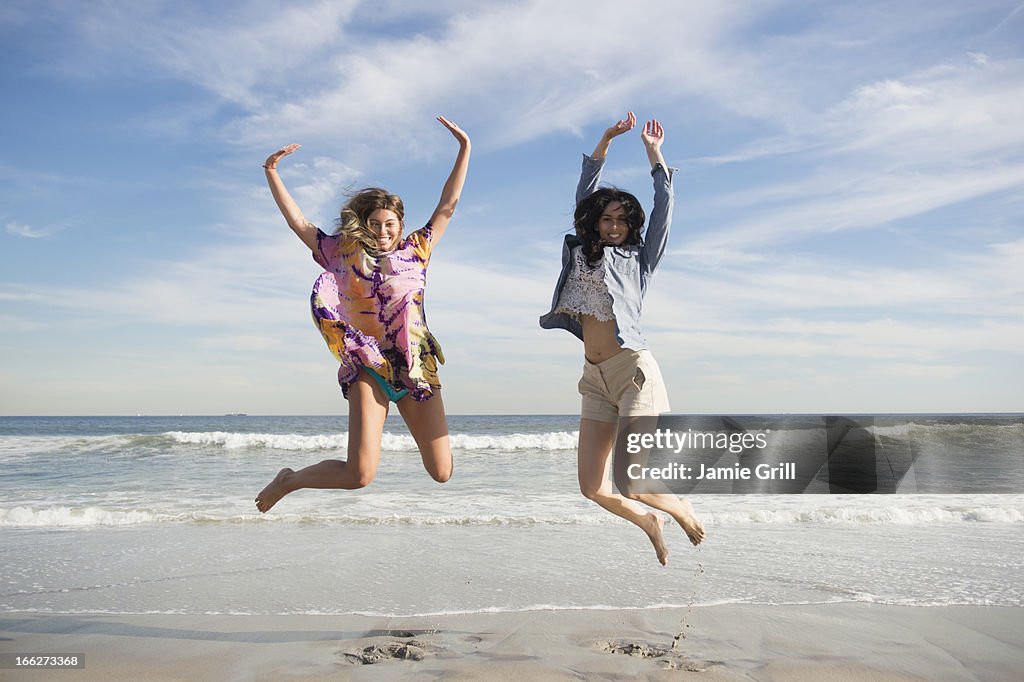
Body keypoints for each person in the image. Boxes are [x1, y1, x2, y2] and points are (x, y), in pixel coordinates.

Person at [256, 116, 470, 513]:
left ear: (400, 225)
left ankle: (294, 478)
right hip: (367, 366)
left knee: (442, 472)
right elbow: (299, 223)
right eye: (375, 224)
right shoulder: (339, 253)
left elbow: (448, 207)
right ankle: (290, 479)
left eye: (390, 224)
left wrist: (464, 149)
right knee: (359, 475)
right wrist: (272, 173)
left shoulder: (417, 250)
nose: (383, 231)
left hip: (415, 367)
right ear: (364, 225)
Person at [540, 112, 705, 564]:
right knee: (592, 487)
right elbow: (584, 193)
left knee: (632, 480)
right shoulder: (580, 251)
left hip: (632, 371)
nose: (614, 226)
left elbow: (665, 207)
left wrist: (655, 156)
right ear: (594, 222)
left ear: (633, 227)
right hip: (594, 378)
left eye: (623, 221)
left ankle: (677, 505)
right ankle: (649, 521)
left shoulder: (640, 260)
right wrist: (605, 141)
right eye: (607, 218)